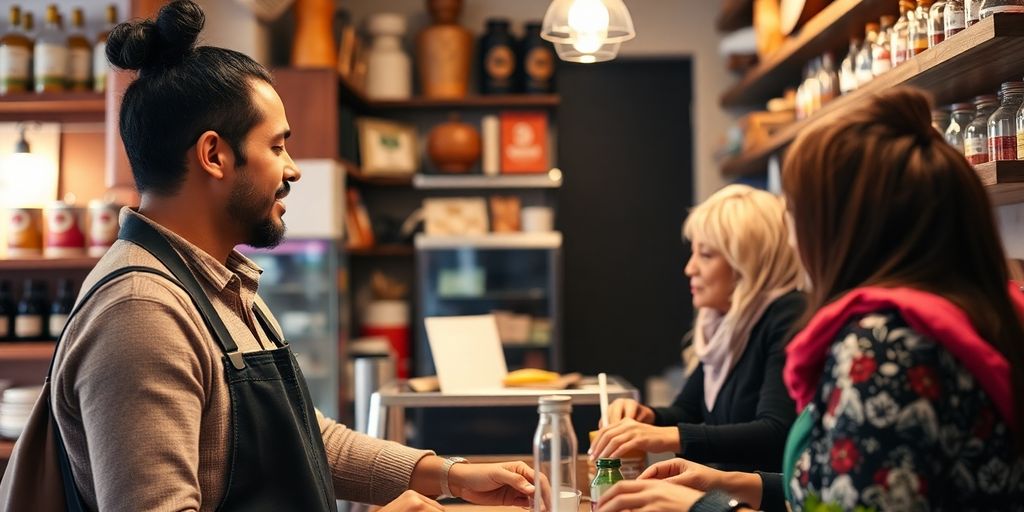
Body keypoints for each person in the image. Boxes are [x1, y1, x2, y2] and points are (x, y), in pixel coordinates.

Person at [16, 2, 536, 511]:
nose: (293, 169)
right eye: (278, 146)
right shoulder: (141, 313)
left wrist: (447, 474)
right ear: (214, 155)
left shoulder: (223, 284)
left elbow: (304, 440)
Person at [596, 87, 1024, 512]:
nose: (795, 240)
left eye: (797, 216)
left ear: (842, 231)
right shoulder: (978, 313)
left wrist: (705, 506)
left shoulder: (886, 348)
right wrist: (727, 482)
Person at [591, 184, 805, 473]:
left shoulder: (787, 314)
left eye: (705, 255)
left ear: (747, 262)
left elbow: (776, 432)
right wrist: (646, 417)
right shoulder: (724, 324)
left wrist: (665, 436)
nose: (690, 268)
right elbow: (687, 411)